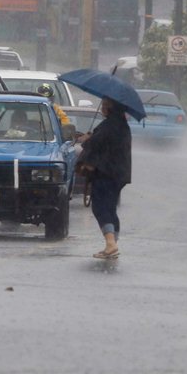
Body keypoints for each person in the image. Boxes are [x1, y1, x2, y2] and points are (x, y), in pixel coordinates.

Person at [76, 97, 131, 260]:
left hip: (106, 173)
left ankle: (111, 244)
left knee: (101, 207)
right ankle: (112, 244)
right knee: (111, 207)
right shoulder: (121, 125)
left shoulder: (110, 125)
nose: (103, 107)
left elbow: (95, 143)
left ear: (111, 108)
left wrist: (86, 139)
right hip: (119, 173)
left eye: (105, 104)